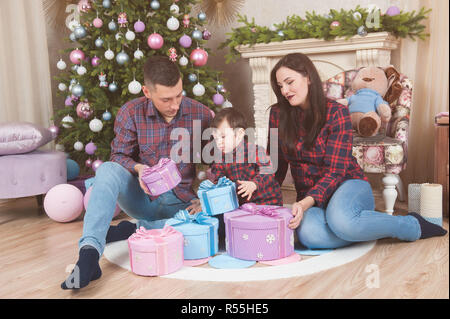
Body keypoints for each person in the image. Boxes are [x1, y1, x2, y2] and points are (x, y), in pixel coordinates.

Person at [61, 56, 213, 290]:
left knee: (207, 227)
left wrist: (206, 201)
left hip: (181, 205)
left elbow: (219, 162)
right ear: (147, 92)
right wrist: (139, 168)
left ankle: (130, 229)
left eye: (179, 95)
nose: (175, 104)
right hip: (142, 198)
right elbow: (118, 156)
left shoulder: (200, 114)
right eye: (166, 99)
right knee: (108, 170)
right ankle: (89, 256)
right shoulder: (130, 112)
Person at [268, 52, 447, 249]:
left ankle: (411, 225)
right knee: (310, 236)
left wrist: (304, 204)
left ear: (308, 77)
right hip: (311, 196)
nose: (285, 90)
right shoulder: (278, 114)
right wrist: (264, 200)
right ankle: (362, 226)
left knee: (341, 222)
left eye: (289, 82)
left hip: (347, 184)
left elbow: (335, 171)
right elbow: (275, 166)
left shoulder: (336, 112)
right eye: (280, 86)